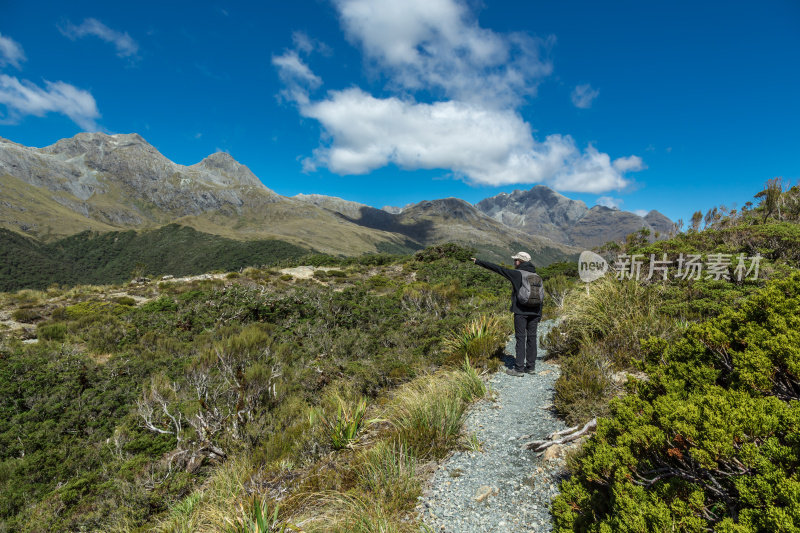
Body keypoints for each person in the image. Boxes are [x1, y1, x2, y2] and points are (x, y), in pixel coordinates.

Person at [471, 252, 541, 377]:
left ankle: (519, 369)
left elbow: (498, 269)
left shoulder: (517, 274)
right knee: (532, 338)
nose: (514, 263)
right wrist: (539, 314)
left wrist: (478, 262)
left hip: (521, 312)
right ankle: (531, 367)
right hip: (535, 312)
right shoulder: (537, 276)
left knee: (520, 338)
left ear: (520, 261)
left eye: (515, 260)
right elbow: (540, 297)